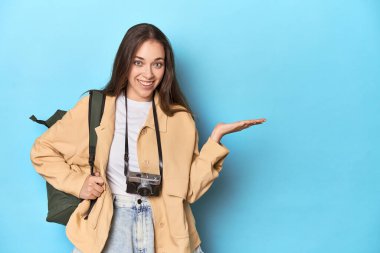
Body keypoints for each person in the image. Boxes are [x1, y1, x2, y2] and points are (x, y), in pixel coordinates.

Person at [30, 23, 266, 253]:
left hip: (168, 229)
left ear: (167, 68)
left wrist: (215, 140)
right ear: (125, 63)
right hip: (111, 224)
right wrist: (78, 184)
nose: (148, 74)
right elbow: (42, 151)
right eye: (138, 62)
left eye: (158, 64)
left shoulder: (179, 118)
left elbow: (190, 190)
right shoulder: (96, 106)